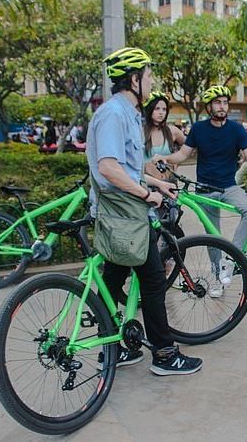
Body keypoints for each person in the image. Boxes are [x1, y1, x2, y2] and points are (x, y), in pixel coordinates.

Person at [86, 46, 202, 375]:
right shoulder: (114, 114)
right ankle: (164, 354)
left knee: (113, 279)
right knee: (153, 280)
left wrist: (155, 184)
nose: (152, 82)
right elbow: (108, 167)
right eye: (148, 76)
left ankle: (111, 350)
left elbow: (128, 168)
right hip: (124, 214)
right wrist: (145, 194)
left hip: (124, 213)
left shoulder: (128, 113)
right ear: (134, 80)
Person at [156, 85, 247, 297]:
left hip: (229, 187)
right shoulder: (198, 129)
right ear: (209, 106)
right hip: (205, 189)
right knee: (213, 237)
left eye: (224, 102)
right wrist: (166, 158)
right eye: (217, 103)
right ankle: (218, 279)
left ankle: (231, 260)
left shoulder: (236, 130)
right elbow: (184, 154)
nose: (222, 106)